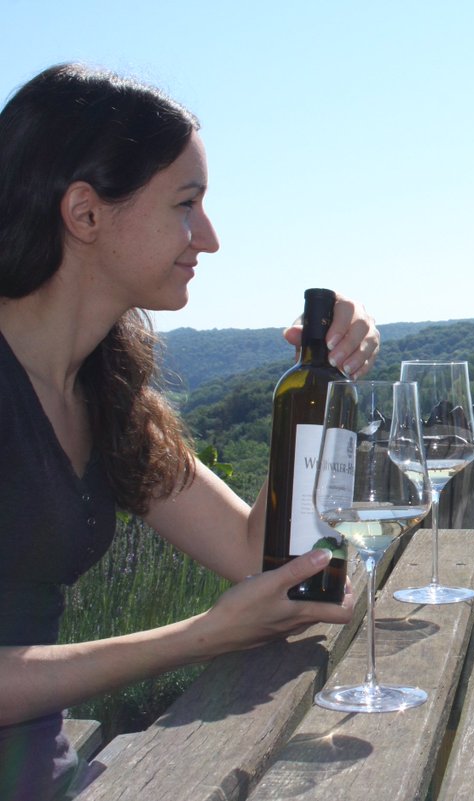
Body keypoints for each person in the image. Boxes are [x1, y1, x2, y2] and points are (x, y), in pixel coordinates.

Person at [0, 63, 381, 800]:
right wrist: (199, 636)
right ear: (85, 213)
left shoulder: (104, 391)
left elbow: (250, 553)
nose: (207, 237)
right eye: (186, 204)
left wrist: (319, 380)